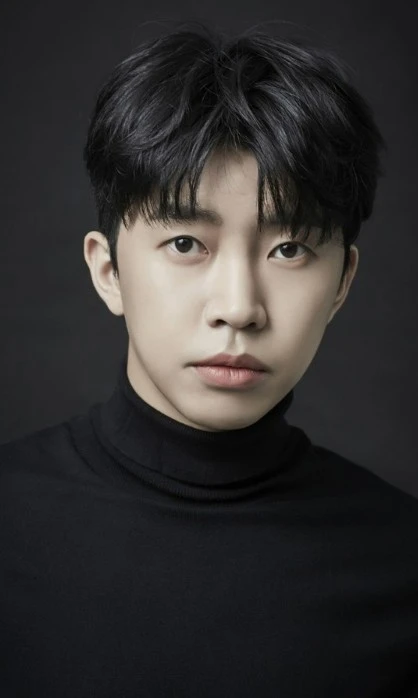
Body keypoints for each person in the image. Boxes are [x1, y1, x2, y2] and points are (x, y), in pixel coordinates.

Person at [1, 23, 418, 698]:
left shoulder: (401, 561)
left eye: (289, 250)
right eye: (186, 244)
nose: (239, 307)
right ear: (108, 271)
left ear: (343, 282)